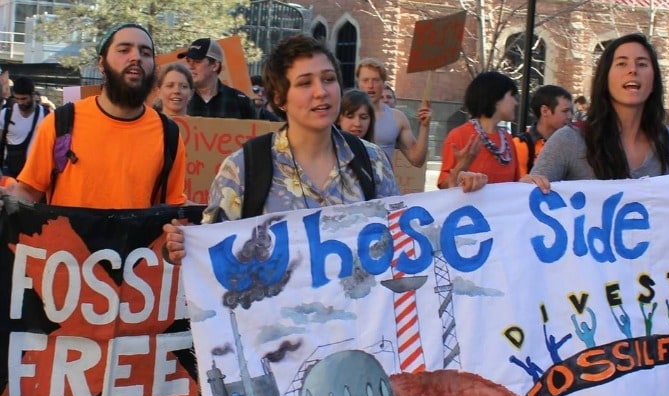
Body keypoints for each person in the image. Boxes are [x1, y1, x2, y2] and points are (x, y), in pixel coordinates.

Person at [4, 23, 187, 396]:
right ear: (104, 60)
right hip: (57, 300)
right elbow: (28, 192)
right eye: (124, 49)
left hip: (126, 308)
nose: (136, 58)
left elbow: (173, 216)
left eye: (146, 51)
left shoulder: (169, 136)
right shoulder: (62, 123)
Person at [522, 33, 669, 396]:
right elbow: (527, 203)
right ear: (606, 76)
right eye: (622, 63)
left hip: (641, 316)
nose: (632, 72)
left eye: (642, 63)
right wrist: (526, 187)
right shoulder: (570, 140)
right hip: (581, 316)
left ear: (655, 77)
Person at [163, 34, 486, 257]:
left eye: (329, 79)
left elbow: (400, 242)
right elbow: (213, 255)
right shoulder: (244, 168)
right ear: (279, 98)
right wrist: (183, 246)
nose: (322, 92)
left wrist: (459, 197)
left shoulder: (370, 162)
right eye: (305, 83)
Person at [437, 71, 520, 189]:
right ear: (496, 98)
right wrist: (462, 166)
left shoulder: (508, 139)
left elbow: (515, 185)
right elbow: (444, 188)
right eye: (512, 95)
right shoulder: (458, 136)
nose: (516, 103)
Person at [355, 58, 431, 167]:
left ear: (383, 83)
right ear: (358, 82)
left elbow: (417, 160)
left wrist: (425, 126)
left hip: (383, 183)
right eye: (365, 80)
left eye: (375, 80)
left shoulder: (397, 118)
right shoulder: (344, 114)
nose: (370, 85)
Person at [179, 37, 256, 119]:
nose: (190, 66)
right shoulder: (179, 98)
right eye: (188, 61)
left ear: (215, 65)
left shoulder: (240, 102)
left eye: (197, 61)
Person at [513, 84, 574, 177]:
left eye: (571, 111)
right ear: (545, 111)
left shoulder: (573, 143)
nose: (570, 116)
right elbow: (519, 186)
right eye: (565, 111)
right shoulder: (521, 145)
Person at [1, 77, 49, 177]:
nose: (20, 102)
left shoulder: (46, 116)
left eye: (24, 99)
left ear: (33, 95)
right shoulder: (6, 114)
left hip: (35, 173)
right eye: (17, 98)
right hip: (10, 172)